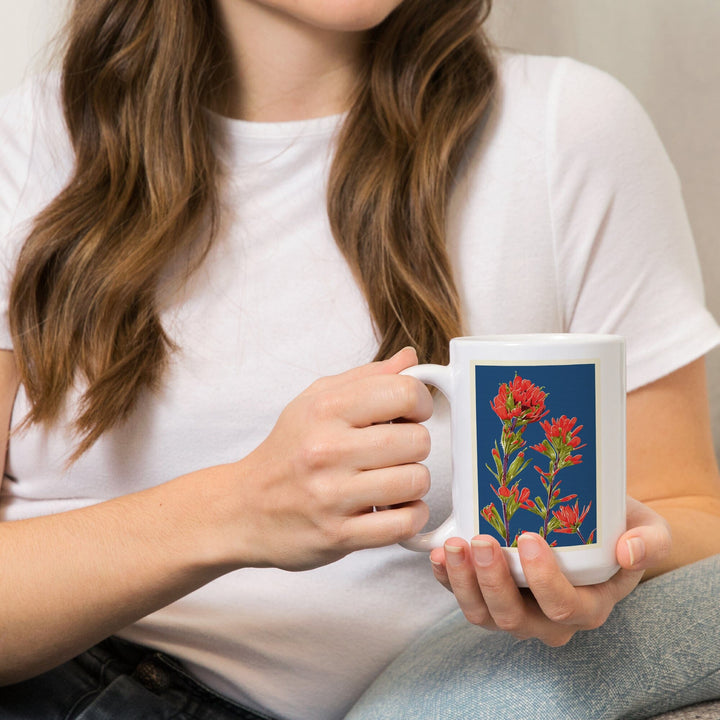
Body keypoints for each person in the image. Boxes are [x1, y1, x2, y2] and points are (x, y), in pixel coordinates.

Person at [0, 1, 719, 719]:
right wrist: (239, 509)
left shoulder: (569, 131)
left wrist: (616, 566)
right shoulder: (26, 146)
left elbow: (688, 511)